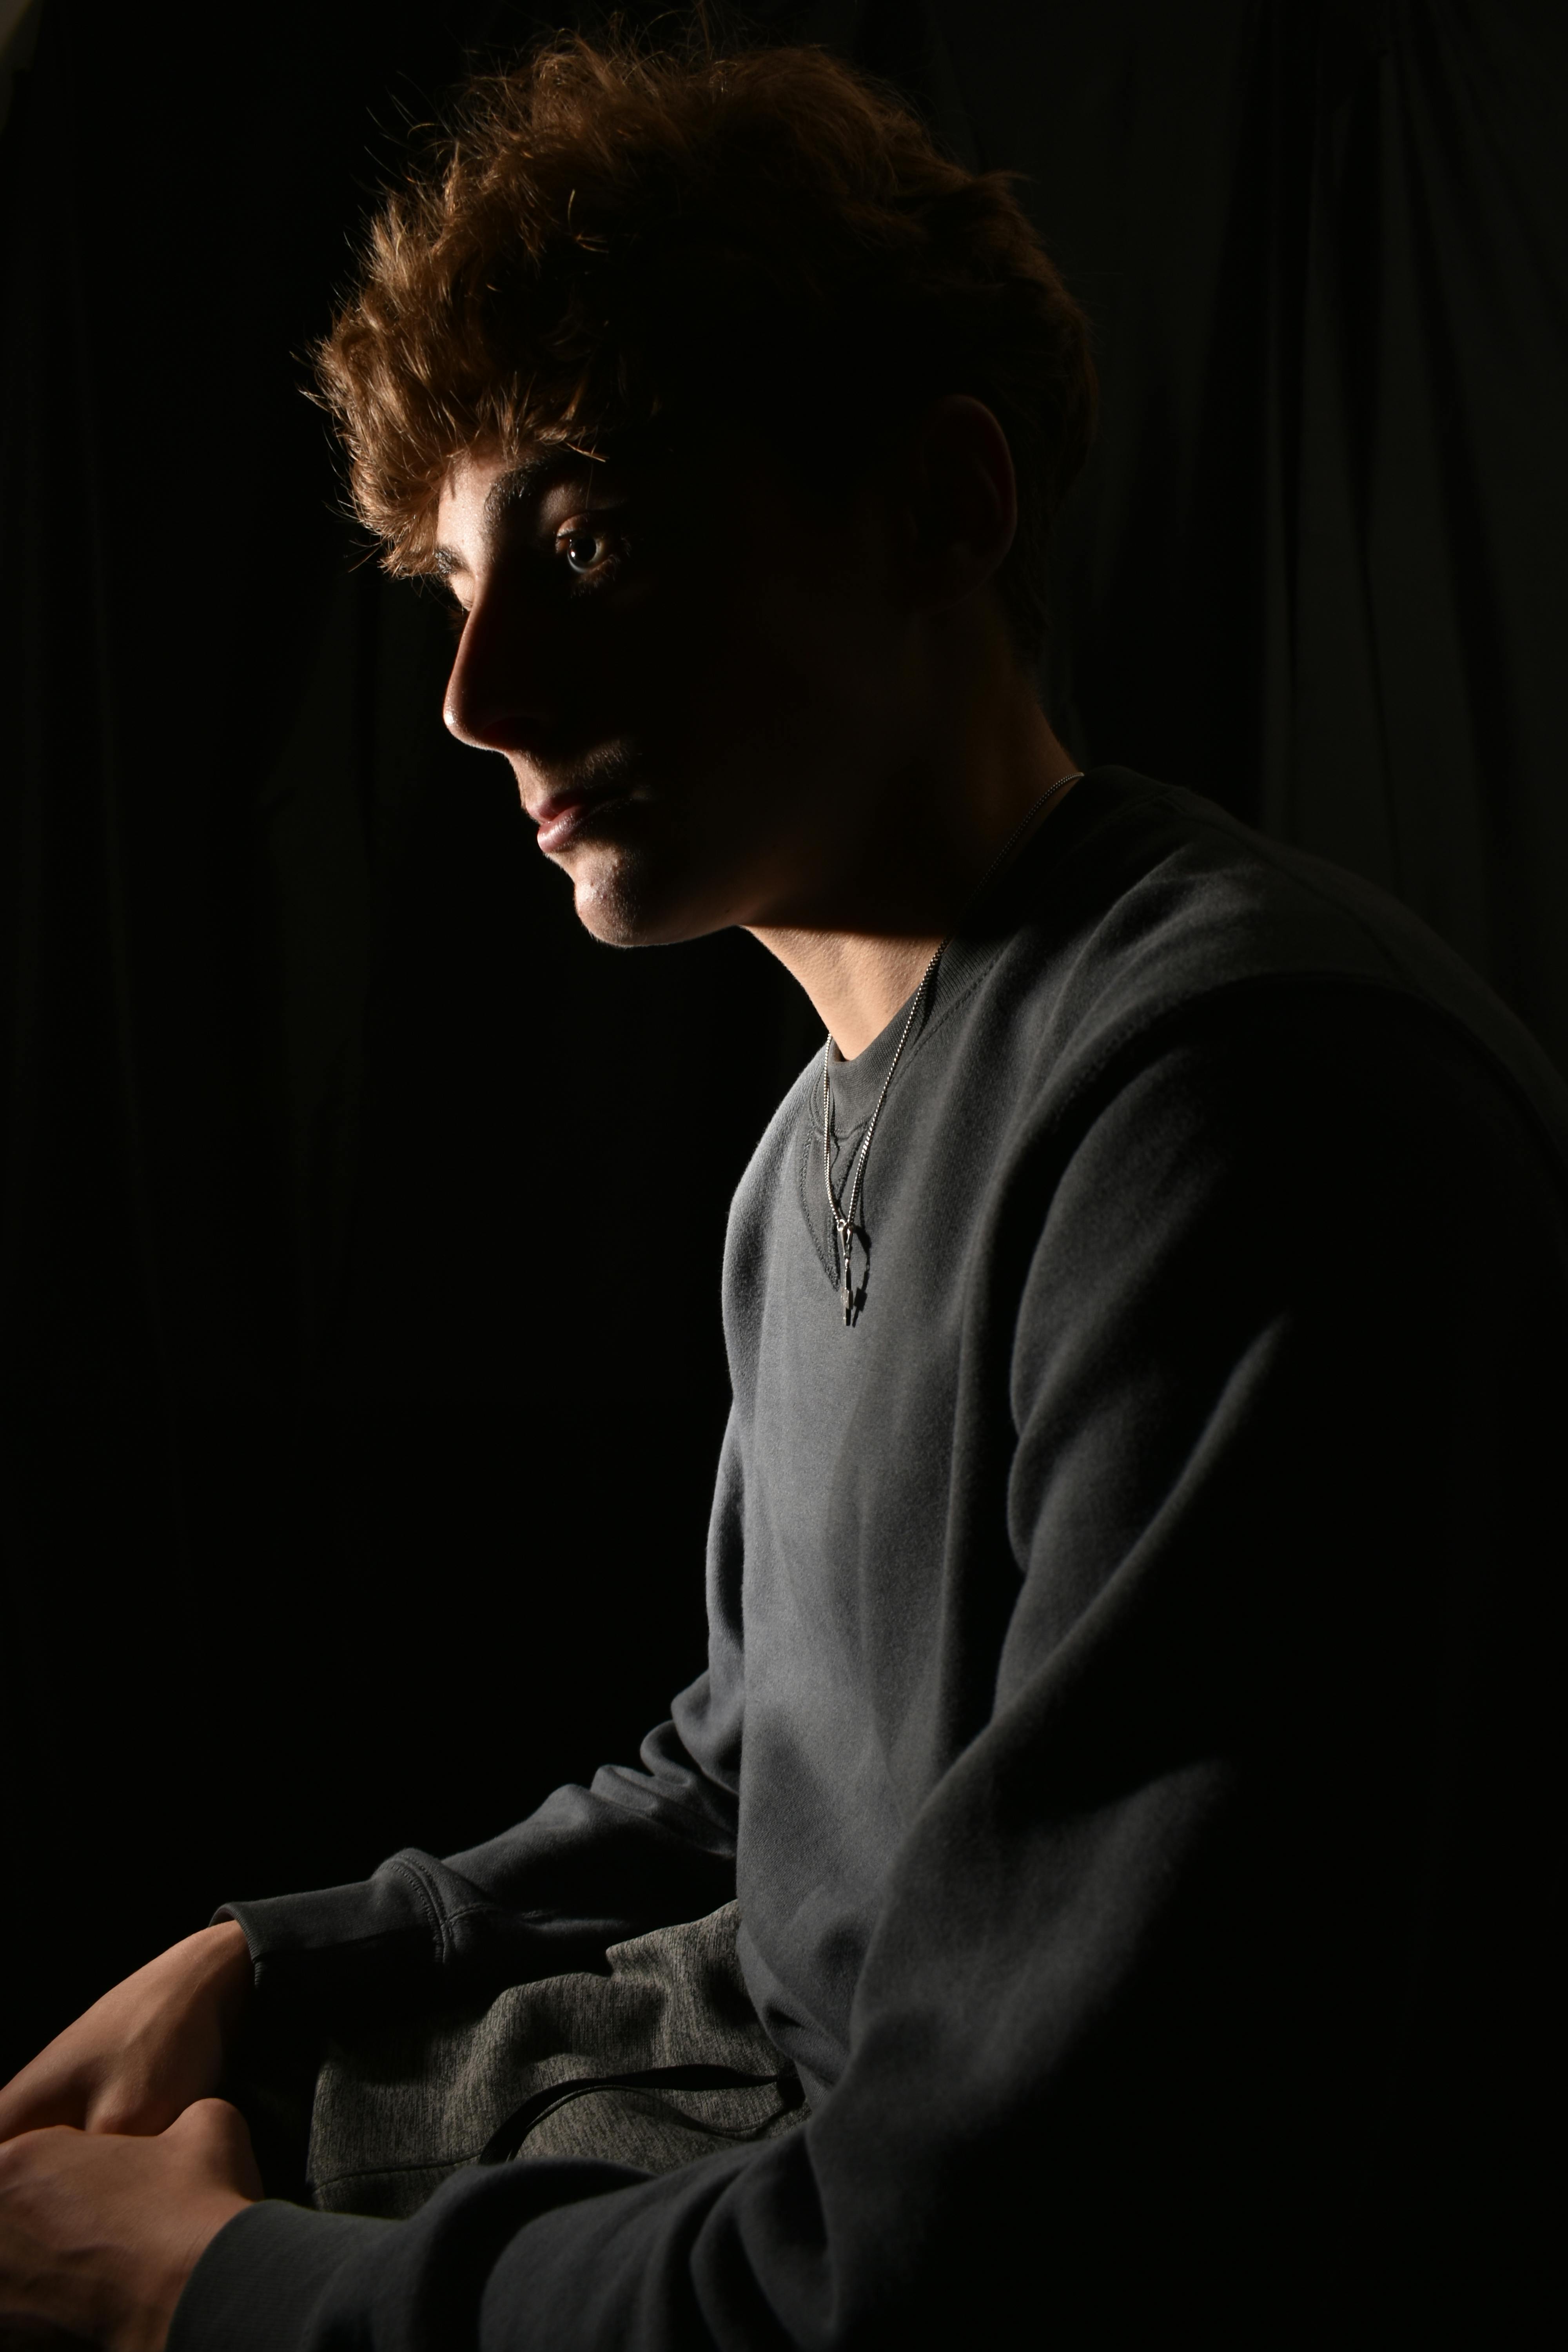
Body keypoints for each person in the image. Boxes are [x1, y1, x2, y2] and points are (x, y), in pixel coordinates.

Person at [1, 24, 1563, 2351]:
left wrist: (220, 2295)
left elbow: (984, 2265)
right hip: (765, 2145)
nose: (477, 695)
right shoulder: (809, 1148)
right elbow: (761, 1778)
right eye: (449, 578)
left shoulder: (1239, 1110)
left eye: (595, 530)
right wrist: (276, 1961)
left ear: (945, 504)